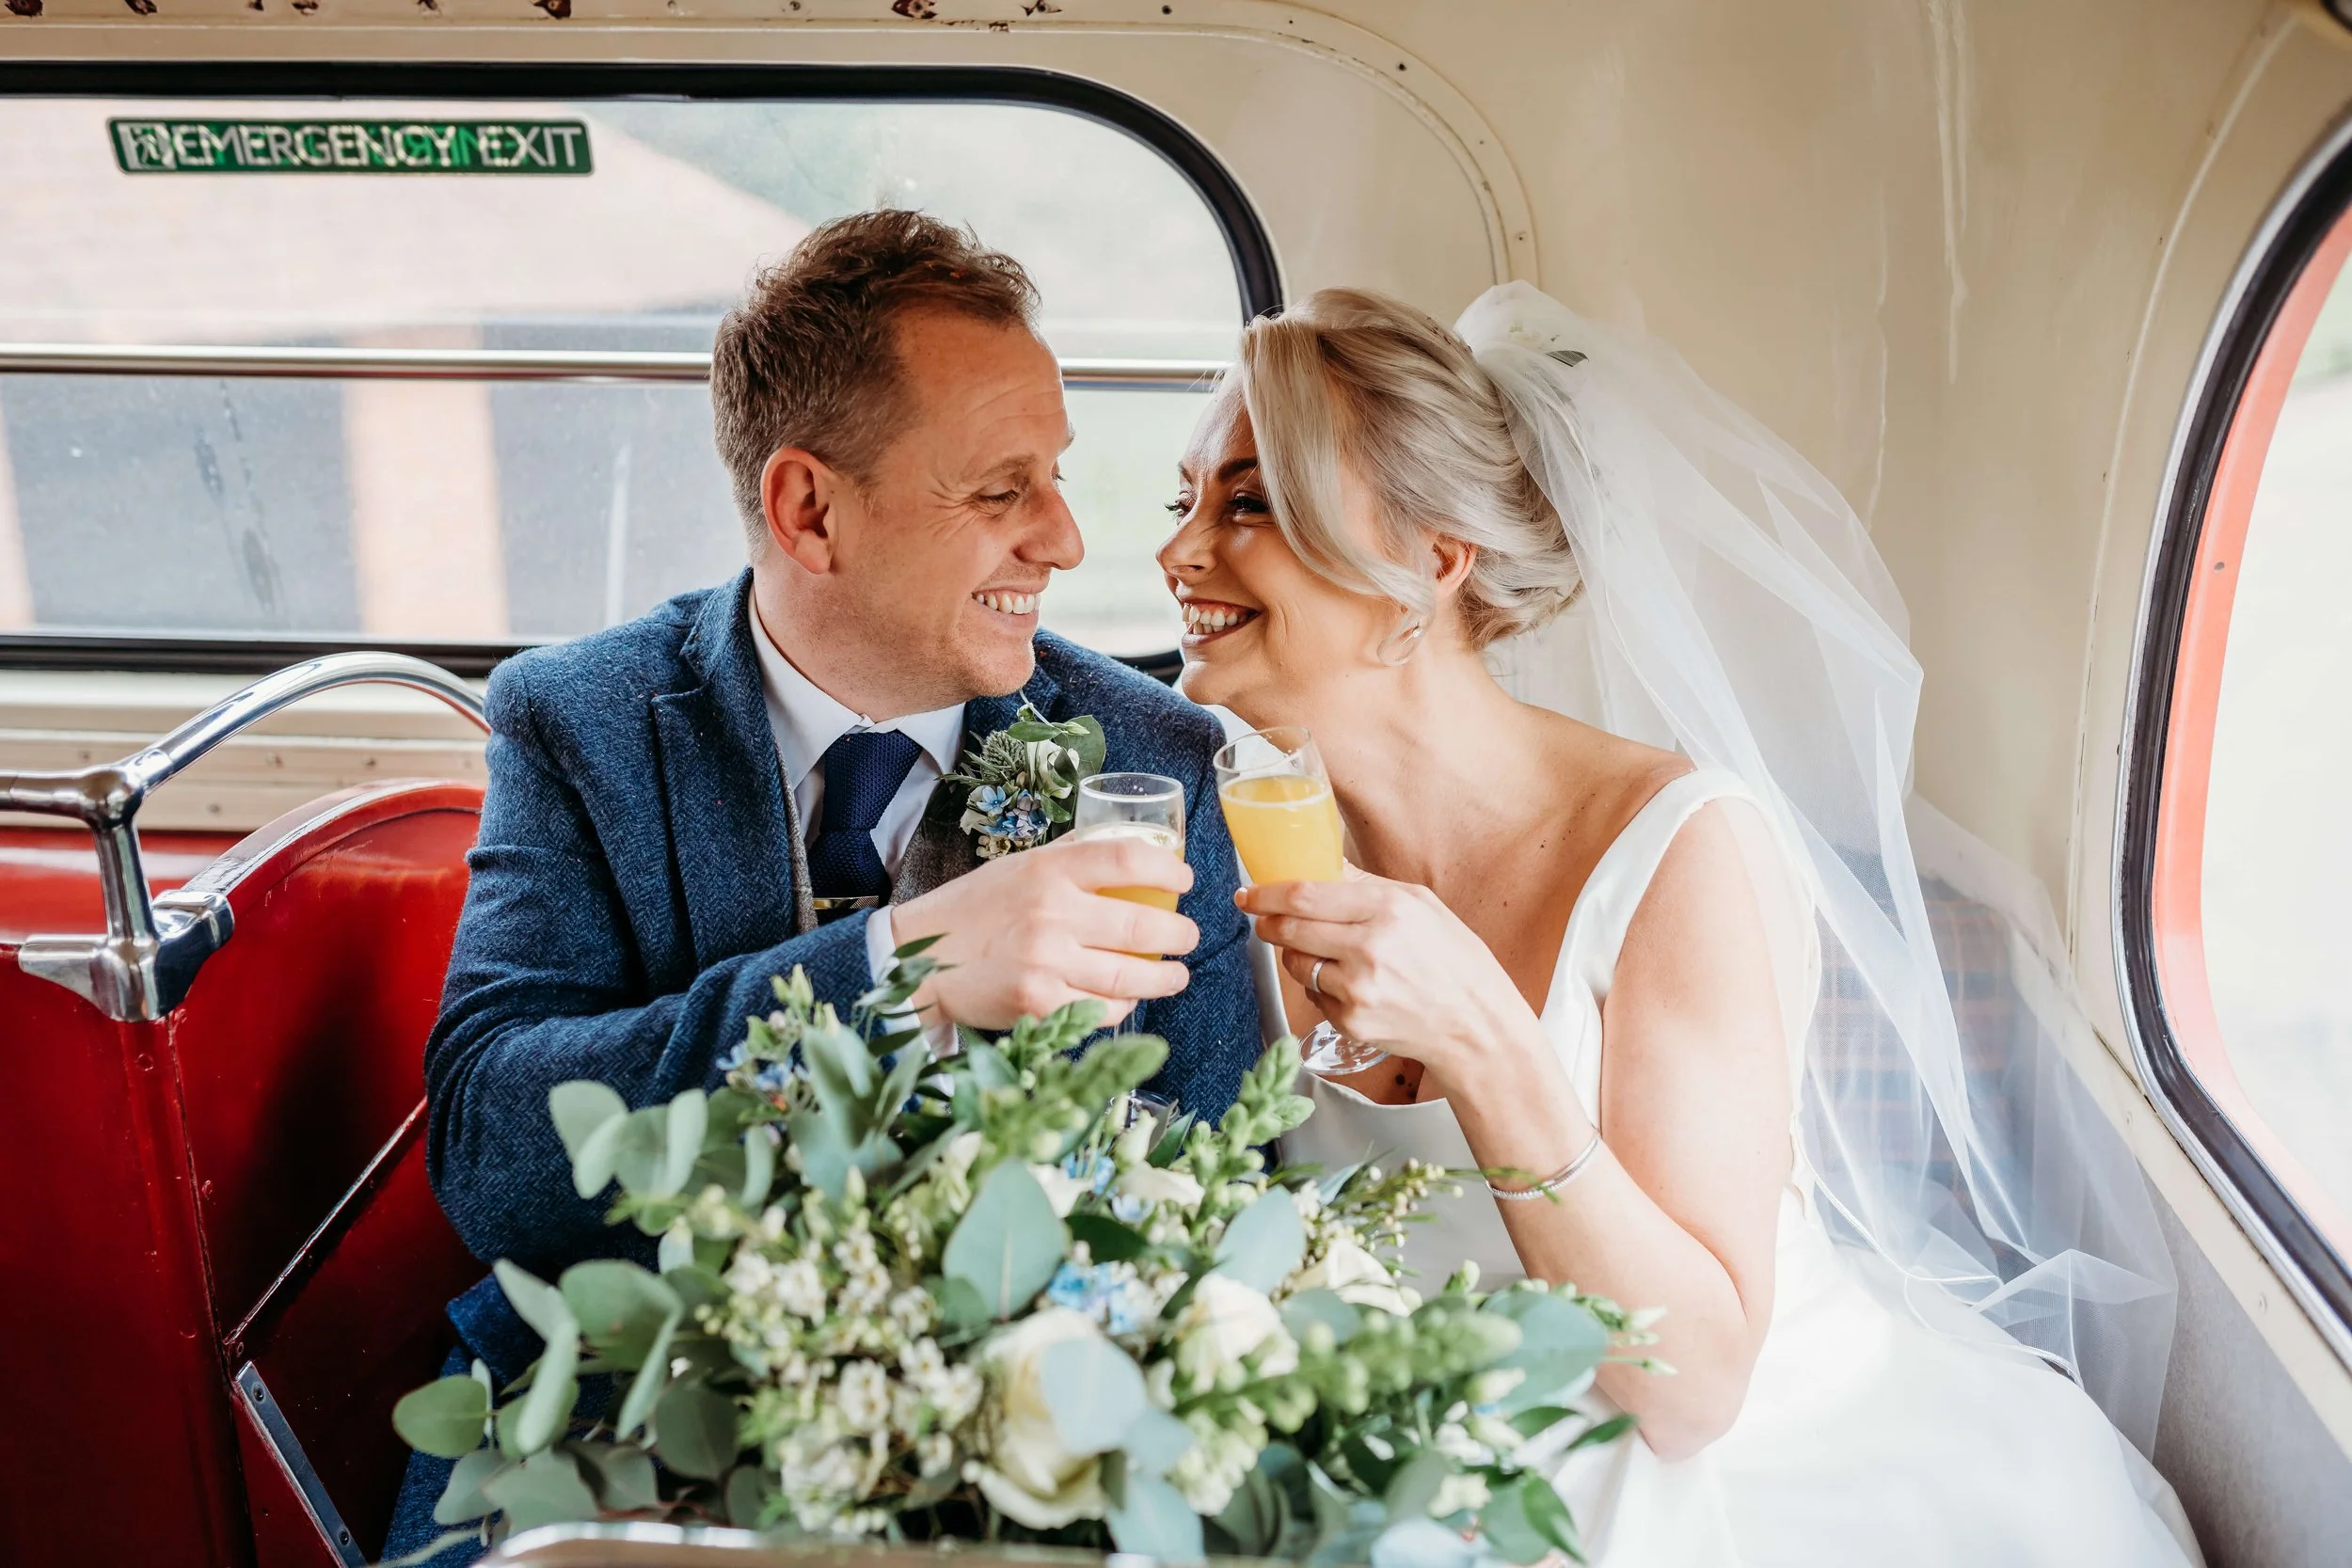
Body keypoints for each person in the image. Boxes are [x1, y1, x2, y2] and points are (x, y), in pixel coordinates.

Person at [1161, 283, 2204, 1565]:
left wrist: (1491, 1046)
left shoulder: (1678, 851)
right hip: (1388, 1452)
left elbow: (1691, 1386)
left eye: (1247, 502)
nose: (1177, 555)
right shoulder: (1214, 825)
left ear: (1433, 560)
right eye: (1185, 503)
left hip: (1719, 1468)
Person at [387, 213, 1262, 1560]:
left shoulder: (1153, 761)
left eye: (1060, 478)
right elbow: (495, 1156)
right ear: (810, 508)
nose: (1066, 539)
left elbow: (1207, 1184)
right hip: (618, 1408)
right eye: (999, 489)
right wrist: (889, 974)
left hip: (1022, 1425)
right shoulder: (582, 721)